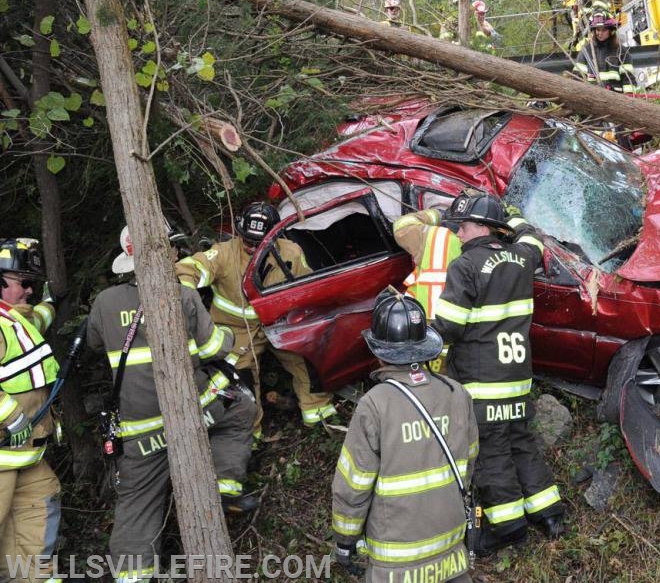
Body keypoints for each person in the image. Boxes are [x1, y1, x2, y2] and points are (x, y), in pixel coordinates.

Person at [88, 223, 258, 583]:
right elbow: (213, 349)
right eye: (173, 250)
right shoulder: (181, 295)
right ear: (162, 253)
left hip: (140, 430)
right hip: (191, 414)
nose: (178, 255)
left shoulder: (104, 303)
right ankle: (225, 488)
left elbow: (92, 343)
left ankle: (132, 577)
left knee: (137, 501)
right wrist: (228, 335)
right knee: (241, 407)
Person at [434, 191, 564, 554]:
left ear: (480, 227)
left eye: (461, 227)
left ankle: (509, 529)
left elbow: (450, 326)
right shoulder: (522, 257)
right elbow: (533, 236)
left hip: (482, 383)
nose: (457, 235)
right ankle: (550, 515)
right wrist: (514, 214)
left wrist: (417, 333)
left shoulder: (465, 267)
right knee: (522, 444)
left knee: (491, 455)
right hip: (518, 380)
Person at [332, 293, 478, 582]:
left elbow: (353, 484)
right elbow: (469, 464)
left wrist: (345, 539)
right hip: (451, 553)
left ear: (379, 351)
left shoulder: (375, 405)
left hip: (395, 564)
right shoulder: (456, 393)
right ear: (426, 347)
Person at [176, 202, 338, 436]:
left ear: (274, 236)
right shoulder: (224, 253)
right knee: (240, 383)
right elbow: (190, 268)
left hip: (279, 324)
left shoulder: (290, 252)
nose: (251, 247)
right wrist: (187, 292)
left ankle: (319, 417)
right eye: (247, 241)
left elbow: (308, 286)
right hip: (236, 331)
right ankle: (250, 438)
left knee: (306, 361)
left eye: (258, 242)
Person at [0, 238, 61, 583]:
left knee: (42, 508)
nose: (28, 291)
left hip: (27, 458)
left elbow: (37, 318)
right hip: (4, 455)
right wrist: (11, 415)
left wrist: (52, 300)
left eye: (32, 284)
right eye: (22, 283)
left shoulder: (17, 320)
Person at [392, 207, 462, 374]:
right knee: (448, 368)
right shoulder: (483, 239)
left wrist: (436, 214)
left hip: (424, 314)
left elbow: (401, 226)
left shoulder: (430, 236)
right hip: (457, 316)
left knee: (423, 365)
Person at [571, 10, 637, 93]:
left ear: (611, 31)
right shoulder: (587, 51)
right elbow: (577, 77)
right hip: (593, 97)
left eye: (604, 30)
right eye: (598, 30)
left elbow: (628, 80)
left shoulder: (621, 52)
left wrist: (629, 99)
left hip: (617, 98)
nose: (600, 33)